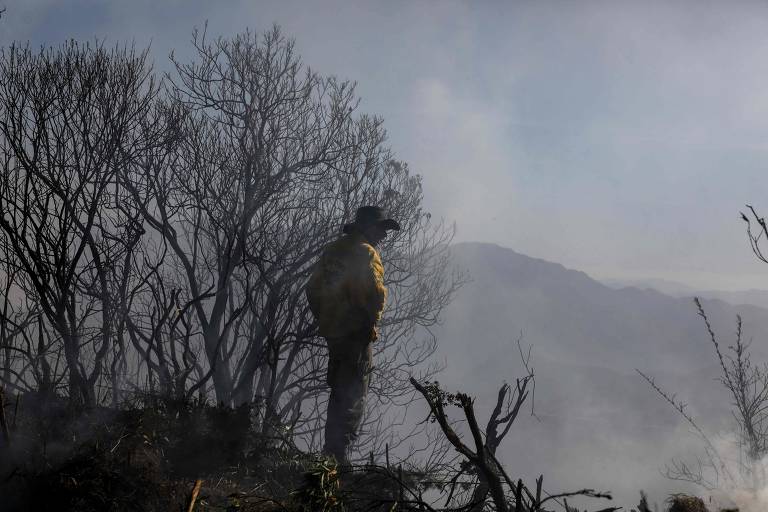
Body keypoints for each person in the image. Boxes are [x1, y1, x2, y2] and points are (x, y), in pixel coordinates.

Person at [306, 206, 400, 463]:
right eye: (381, 229)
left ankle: (331, 454)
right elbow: (375, 293)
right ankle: (338, 458)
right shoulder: (366, 253)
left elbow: (312, 289)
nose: (384, 235)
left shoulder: (333, 250)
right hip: (355, 333)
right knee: (353, 394)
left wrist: (325, 317)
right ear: (368, 228)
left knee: (338, 389)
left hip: (334, 333)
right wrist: (371, 322)